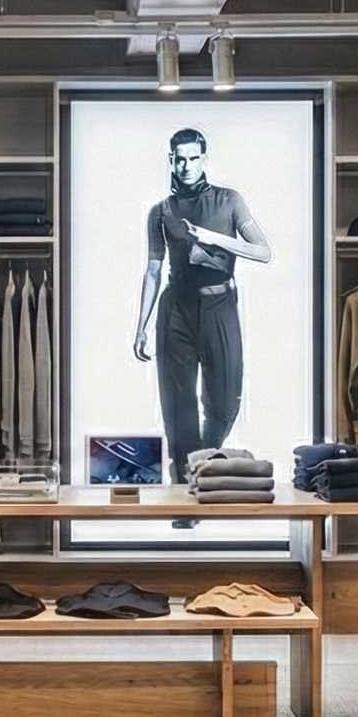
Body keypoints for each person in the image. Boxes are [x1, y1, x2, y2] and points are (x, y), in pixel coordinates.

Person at [132, 127, 272, 487]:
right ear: (171, 160)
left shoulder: (229, 200)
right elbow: (153, 270)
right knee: (178, 406)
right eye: (180, 159)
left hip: (219, 304)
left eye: (193, 158)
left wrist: (212, 238)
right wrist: (141, 327)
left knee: (224, 403)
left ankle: (203, 463)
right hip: (176, 309)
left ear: (203, 158)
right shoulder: (160, 211)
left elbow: (263, 251)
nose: (187, 166)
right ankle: (184, 486)